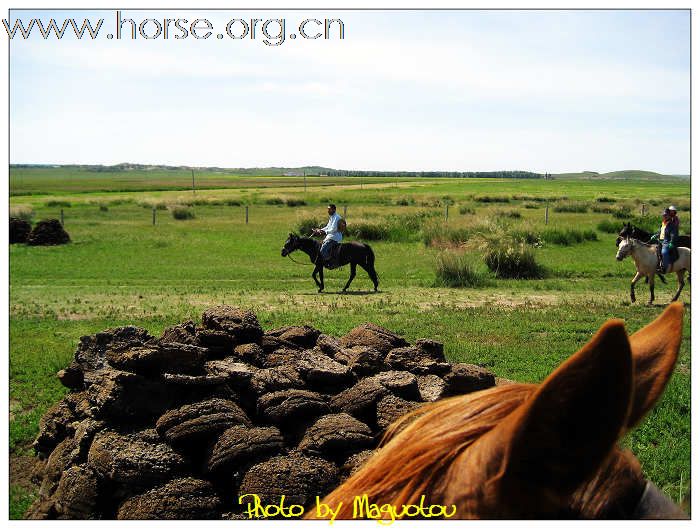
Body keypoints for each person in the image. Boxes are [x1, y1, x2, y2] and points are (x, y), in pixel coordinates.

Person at [650, 206, 680, 273]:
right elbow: (660, 232)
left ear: (669, 216)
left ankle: (664, 268)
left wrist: (671, 242)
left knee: (664, 252)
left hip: (667, 242)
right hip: (660, 241)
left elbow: (673, 234)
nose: (665, 216)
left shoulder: (672, 225)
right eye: (664, 215)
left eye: (666, 215)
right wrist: (656, 235)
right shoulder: (663, 223)